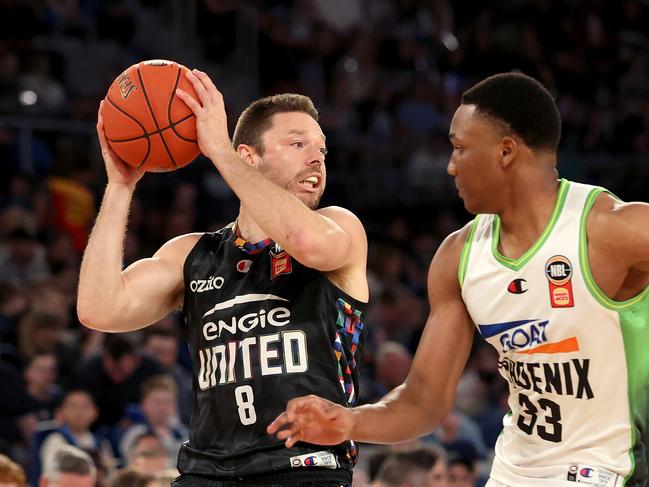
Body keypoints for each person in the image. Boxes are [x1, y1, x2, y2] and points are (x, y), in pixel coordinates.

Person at [268, 72, 649, 486]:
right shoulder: (459, 256)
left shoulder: (612, 230)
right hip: (512, 470)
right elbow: (423, 402)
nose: (450, 166)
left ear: (506, 151)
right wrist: (348, 422)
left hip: (609, 470)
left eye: (460, 148)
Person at [77, 68, 369, 487]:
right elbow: (97, 309)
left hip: (303, 468)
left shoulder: (339, 227)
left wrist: (218, 151)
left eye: (322, 148)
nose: (317, 157)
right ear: (249, 155)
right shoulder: (193, 254)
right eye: (297, 144)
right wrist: (120, 187)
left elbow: (304, 240)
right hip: (206, 472)